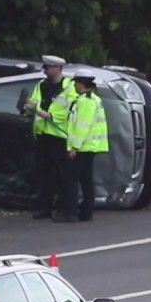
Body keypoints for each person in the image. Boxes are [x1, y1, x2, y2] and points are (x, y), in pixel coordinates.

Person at [23, 55, 76, 221]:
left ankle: (63, 209)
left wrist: (51, 115)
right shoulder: (41, 85)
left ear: (58, 68)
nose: (45, 71)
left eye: (48, 68)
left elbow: (71, 109)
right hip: (43, 135)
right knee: (44, 175)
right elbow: (34, 103)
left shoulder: (70, 87)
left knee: (62, 176)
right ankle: (44, 208)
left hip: (60, 136)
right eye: (45, 68)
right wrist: (30, 106)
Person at [65, 75, 109, 221]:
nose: (75, 86)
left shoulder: (86, 101)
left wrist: (74, 147)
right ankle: (86, 212)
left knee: (72, 179)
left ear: (81, 84)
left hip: (83, 146)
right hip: (90, 146)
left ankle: (71, 213)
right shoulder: (94, 99)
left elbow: (82, 126)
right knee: (86, 179)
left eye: (76, 83)